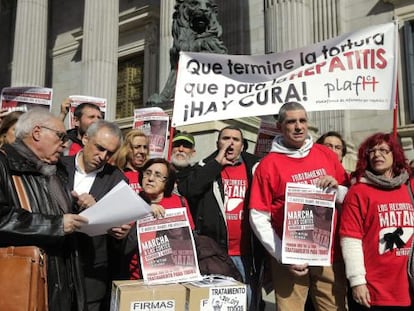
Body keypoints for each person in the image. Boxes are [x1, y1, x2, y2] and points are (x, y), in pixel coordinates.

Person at [249, 102, 349, 311]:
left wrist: (337, 189)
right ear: (279, 126)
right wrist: (282, 255)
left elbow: (350, 198)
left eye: (302, 121)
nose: (298, 127)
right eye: (291, 122)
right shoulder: (268, 165)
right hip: (289, 257)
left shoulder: (326, 154)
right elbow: (258, 215)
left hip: (328, 254)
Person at [0, 108, 88, 311]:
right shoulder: (3, 164)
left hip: (64, 286)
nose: (65, 144)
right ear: (37, 133)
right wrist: (56, 225)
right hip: (22, 289)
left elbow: (54, 212)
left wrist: (79, 209)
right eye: (60, 136)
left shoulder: (57, 171)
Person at [178, 125, 263, 310]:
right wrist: (216, 163)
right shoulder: (205, 166)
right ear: (218, 143)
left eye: (236, 139)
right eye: (225, 139)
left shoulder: (255, 167)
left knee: (249, 303)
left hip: (247, 254)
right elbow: (188, 190)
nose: (230, 143)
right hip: (217, 254)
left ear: (243, 146)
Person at [61, 119, 130, 311]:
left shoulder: (117, 179)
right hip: (57, 266)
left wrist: (100, 211)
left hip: (91, 272)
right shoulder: (58, 166)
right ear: (84, 138)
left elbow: (120, 229)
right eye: (99, 148)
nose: (103, 156)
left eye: (109, 152)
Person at [340, 132, 414, 310]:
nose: (377, 154)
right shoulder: (358, 191)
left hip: (407, 287)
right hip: (373, 290)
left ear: (394, 154)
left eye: (383, 150)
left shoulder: (409, 187)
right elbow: (350, 239)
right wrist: (357, 281)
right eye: (371, 151)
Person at [125, 157, 195, 279]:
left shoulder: (179, 201)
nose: (150, 179)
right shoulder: (131, 202)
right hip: (138, 277)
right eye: (147, 173)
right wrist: (145, 211)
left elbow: (190, 237)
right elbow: (124, 245)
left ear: (167, 182)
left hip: (174, 274)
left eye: (158, 175)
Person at [112, 128, 150, 193]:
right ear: (126, 149)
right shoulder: (115, 175)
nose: (142, 151)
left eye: (145, 147)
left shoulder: (151, 176)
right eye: (137, 147)